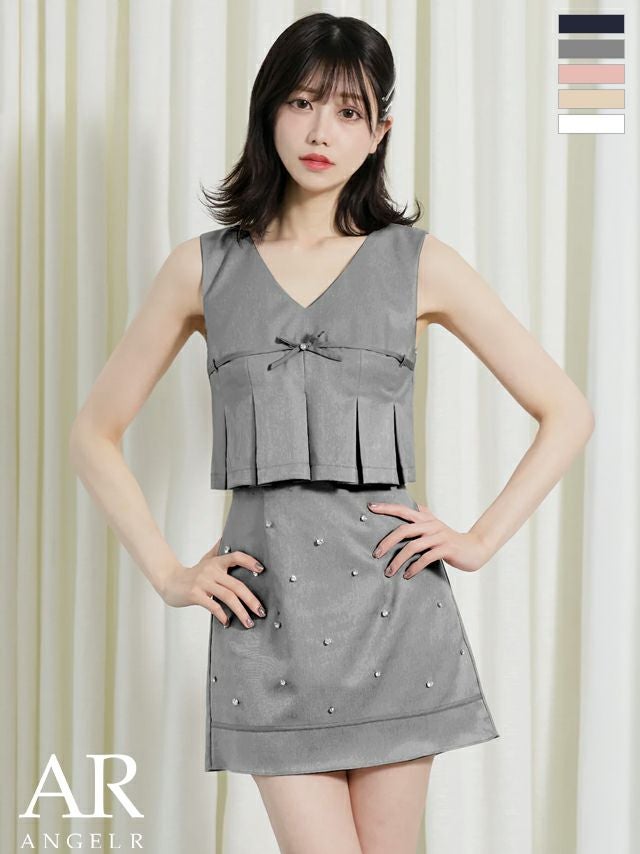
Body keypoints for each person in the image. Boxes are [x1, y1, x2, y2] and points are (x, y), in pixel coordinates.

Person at [69, 11, 595, 854]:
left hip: (396, 611)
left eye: (350, 111)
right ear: (269, 108)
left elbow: (567, 410)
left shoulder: (419, 261)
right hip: (266, 620)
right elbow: (94, 433)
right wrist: (169, 574)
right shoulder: (201, 268)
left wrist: (476, 541)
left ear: (380, 132)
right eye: (304, 102)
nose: (322, 131)